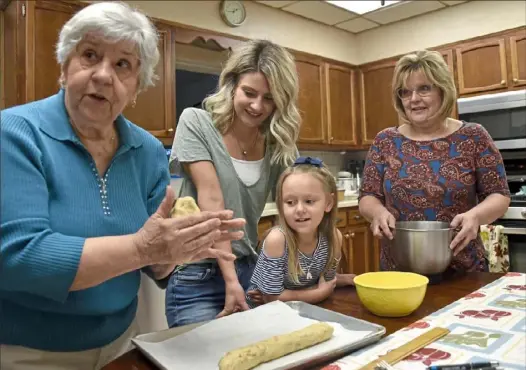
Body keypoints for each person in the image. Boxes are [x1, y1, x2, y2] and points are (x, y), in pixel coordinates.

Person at [0, 2, 245, 369]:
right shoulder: (15, 134)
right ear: (65, 67)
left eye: (122, 65)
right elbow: (21, 258)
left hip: (124, 342)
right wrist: (143, 249)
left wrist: (176, 252)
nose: (103, 75)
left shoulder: (146, 150)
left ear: (135, 87)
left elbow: (154, 265)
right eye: (90, 55)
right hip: (31, 352)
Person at [166, 39, 302, 327]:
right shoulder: (197, 122)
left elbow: (295, 202)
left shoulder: (276, 143)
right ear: (231, 86)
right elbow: (212, 200)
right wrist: (231, 281)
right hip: (197, 275)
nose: (257, 106)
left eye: (269, 98)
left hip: (249, 270)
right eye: (249, 93)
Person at [359, 50, 510, 275]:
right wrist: (378, 213)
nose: (414, 99)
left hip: (463, 269)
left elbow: (499, 194)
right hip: (399, 269)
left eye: (424, 88)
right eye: (405, 92)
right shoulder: (385, 141)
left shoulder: (474, 137)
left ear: (443, 90)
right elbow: (368, 196)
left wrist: (475, 216)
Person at [245, 157, 355, 308]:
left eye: (309, 201)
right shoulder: (277, 240)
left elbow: (326, 281)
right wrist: (318, 293)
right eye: (290, 202)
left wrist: (342, 280)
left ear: (328, 203)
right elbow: (272, 299)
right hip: (268, 315)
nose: (299, 210)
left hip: (305, 309)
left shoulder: (334, 238)